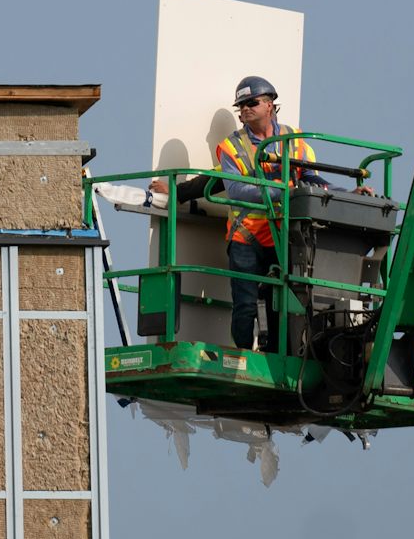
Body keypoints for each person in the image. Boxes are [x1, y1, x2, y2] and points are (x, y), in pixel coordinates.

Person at [151, 75, 370, 350]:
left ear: (270, 105)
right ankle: (242, 356)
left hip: (284, 235)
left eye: (251, 102)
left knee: (282, 305)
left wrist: (347, 194)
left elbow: (313, 181)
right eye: (240, 106)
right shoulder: (232, 147)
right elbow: (233, 189)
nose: (245, 109)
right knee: (245, 306)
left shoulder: (296, 142)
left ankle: (275, 356)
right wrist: (286, 189)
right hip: (247, 238)